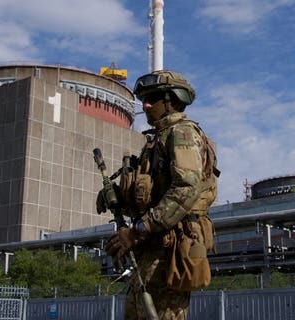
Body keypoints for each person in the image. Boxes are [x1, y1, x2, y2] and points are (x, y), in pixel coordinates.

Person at [99, 70, 219, 320]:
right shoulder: (158, 140)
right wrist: (118, 195)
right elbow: (153, 193)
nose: (145, 105)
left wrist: (136, 231)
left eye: (152, 98)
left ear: (172, 100)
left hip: (170, 248)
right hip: (153, 246)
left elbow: (186, 188)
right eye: (144, 99)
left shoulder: (181, 133)